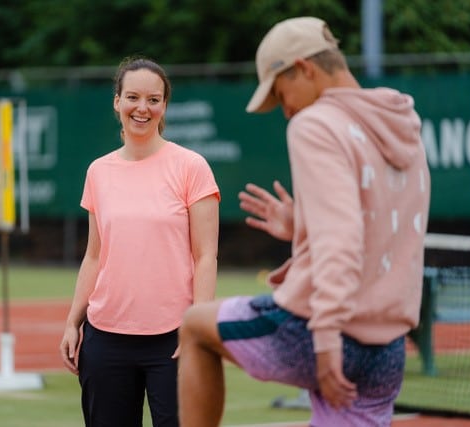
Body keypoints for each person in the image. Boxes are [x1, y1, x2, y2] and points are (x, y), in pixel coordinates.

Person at [177, 16, 431, 427]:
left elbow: (341, 239)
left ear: (305, 68)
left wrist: (327, 337)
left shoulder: (314, 124)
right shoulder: (403, 125)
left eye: (281, 92)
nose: (285, 109)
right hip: (387, 351)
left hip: (322, 332)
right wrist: (304, 225)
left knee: (195, 327)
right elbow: (386, 227)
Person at [59, 56, 220, 427]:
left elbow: (206, 256)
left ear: (164, 106)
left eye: (153, 99)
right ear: (117, 101)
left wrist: (199, 330)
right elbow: (94, 256)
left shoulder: (191, 167)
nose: (142, 108)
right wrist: (72, 322)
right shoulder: (98, 171)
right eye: (132, 97)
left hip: (174, 340)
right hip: (105, 339)